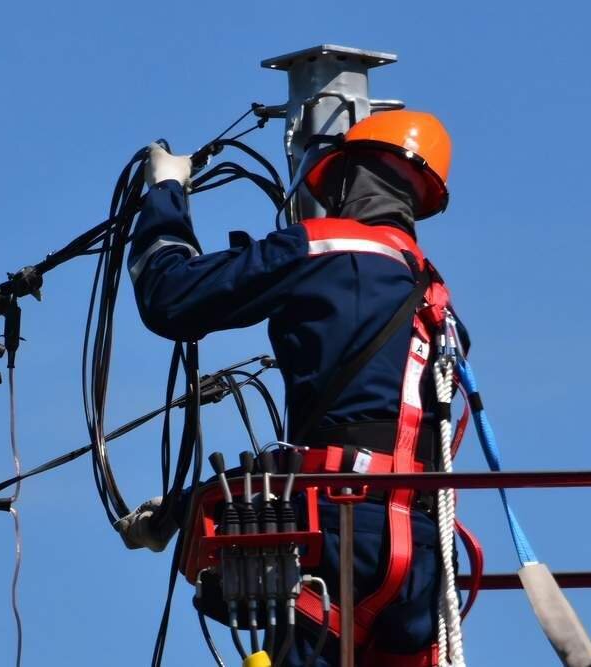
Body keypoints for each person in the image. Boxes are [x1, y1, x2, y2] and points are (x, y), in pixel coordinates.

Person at [116, 110, 470, 666]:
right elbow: (373, 446)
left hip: (336, 535)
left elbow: (171, 297)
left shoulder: (324, 246)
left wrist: (165, 192)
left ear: (347, 177)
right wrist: (180, 510)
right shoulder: (436, 299)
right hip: (421, 561)